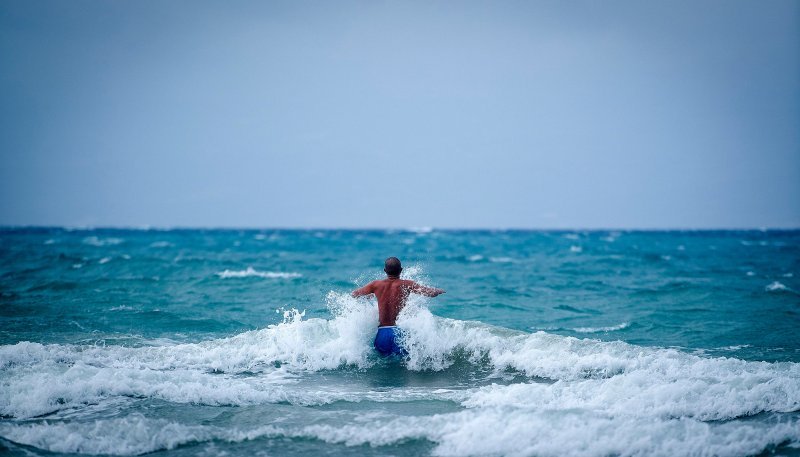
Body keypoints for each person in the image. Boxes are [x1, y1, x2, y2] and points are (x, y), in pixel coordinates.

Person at [351, 257, 445, 356]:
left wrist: (369, 296)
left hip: (382, 334)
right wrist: (438, 290)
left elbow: (354, 294)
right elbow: (429, 293)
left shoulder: (375, 285)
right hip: (398, 333)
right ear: (401, 270)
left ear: (385, 271)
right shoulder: (407, 284)